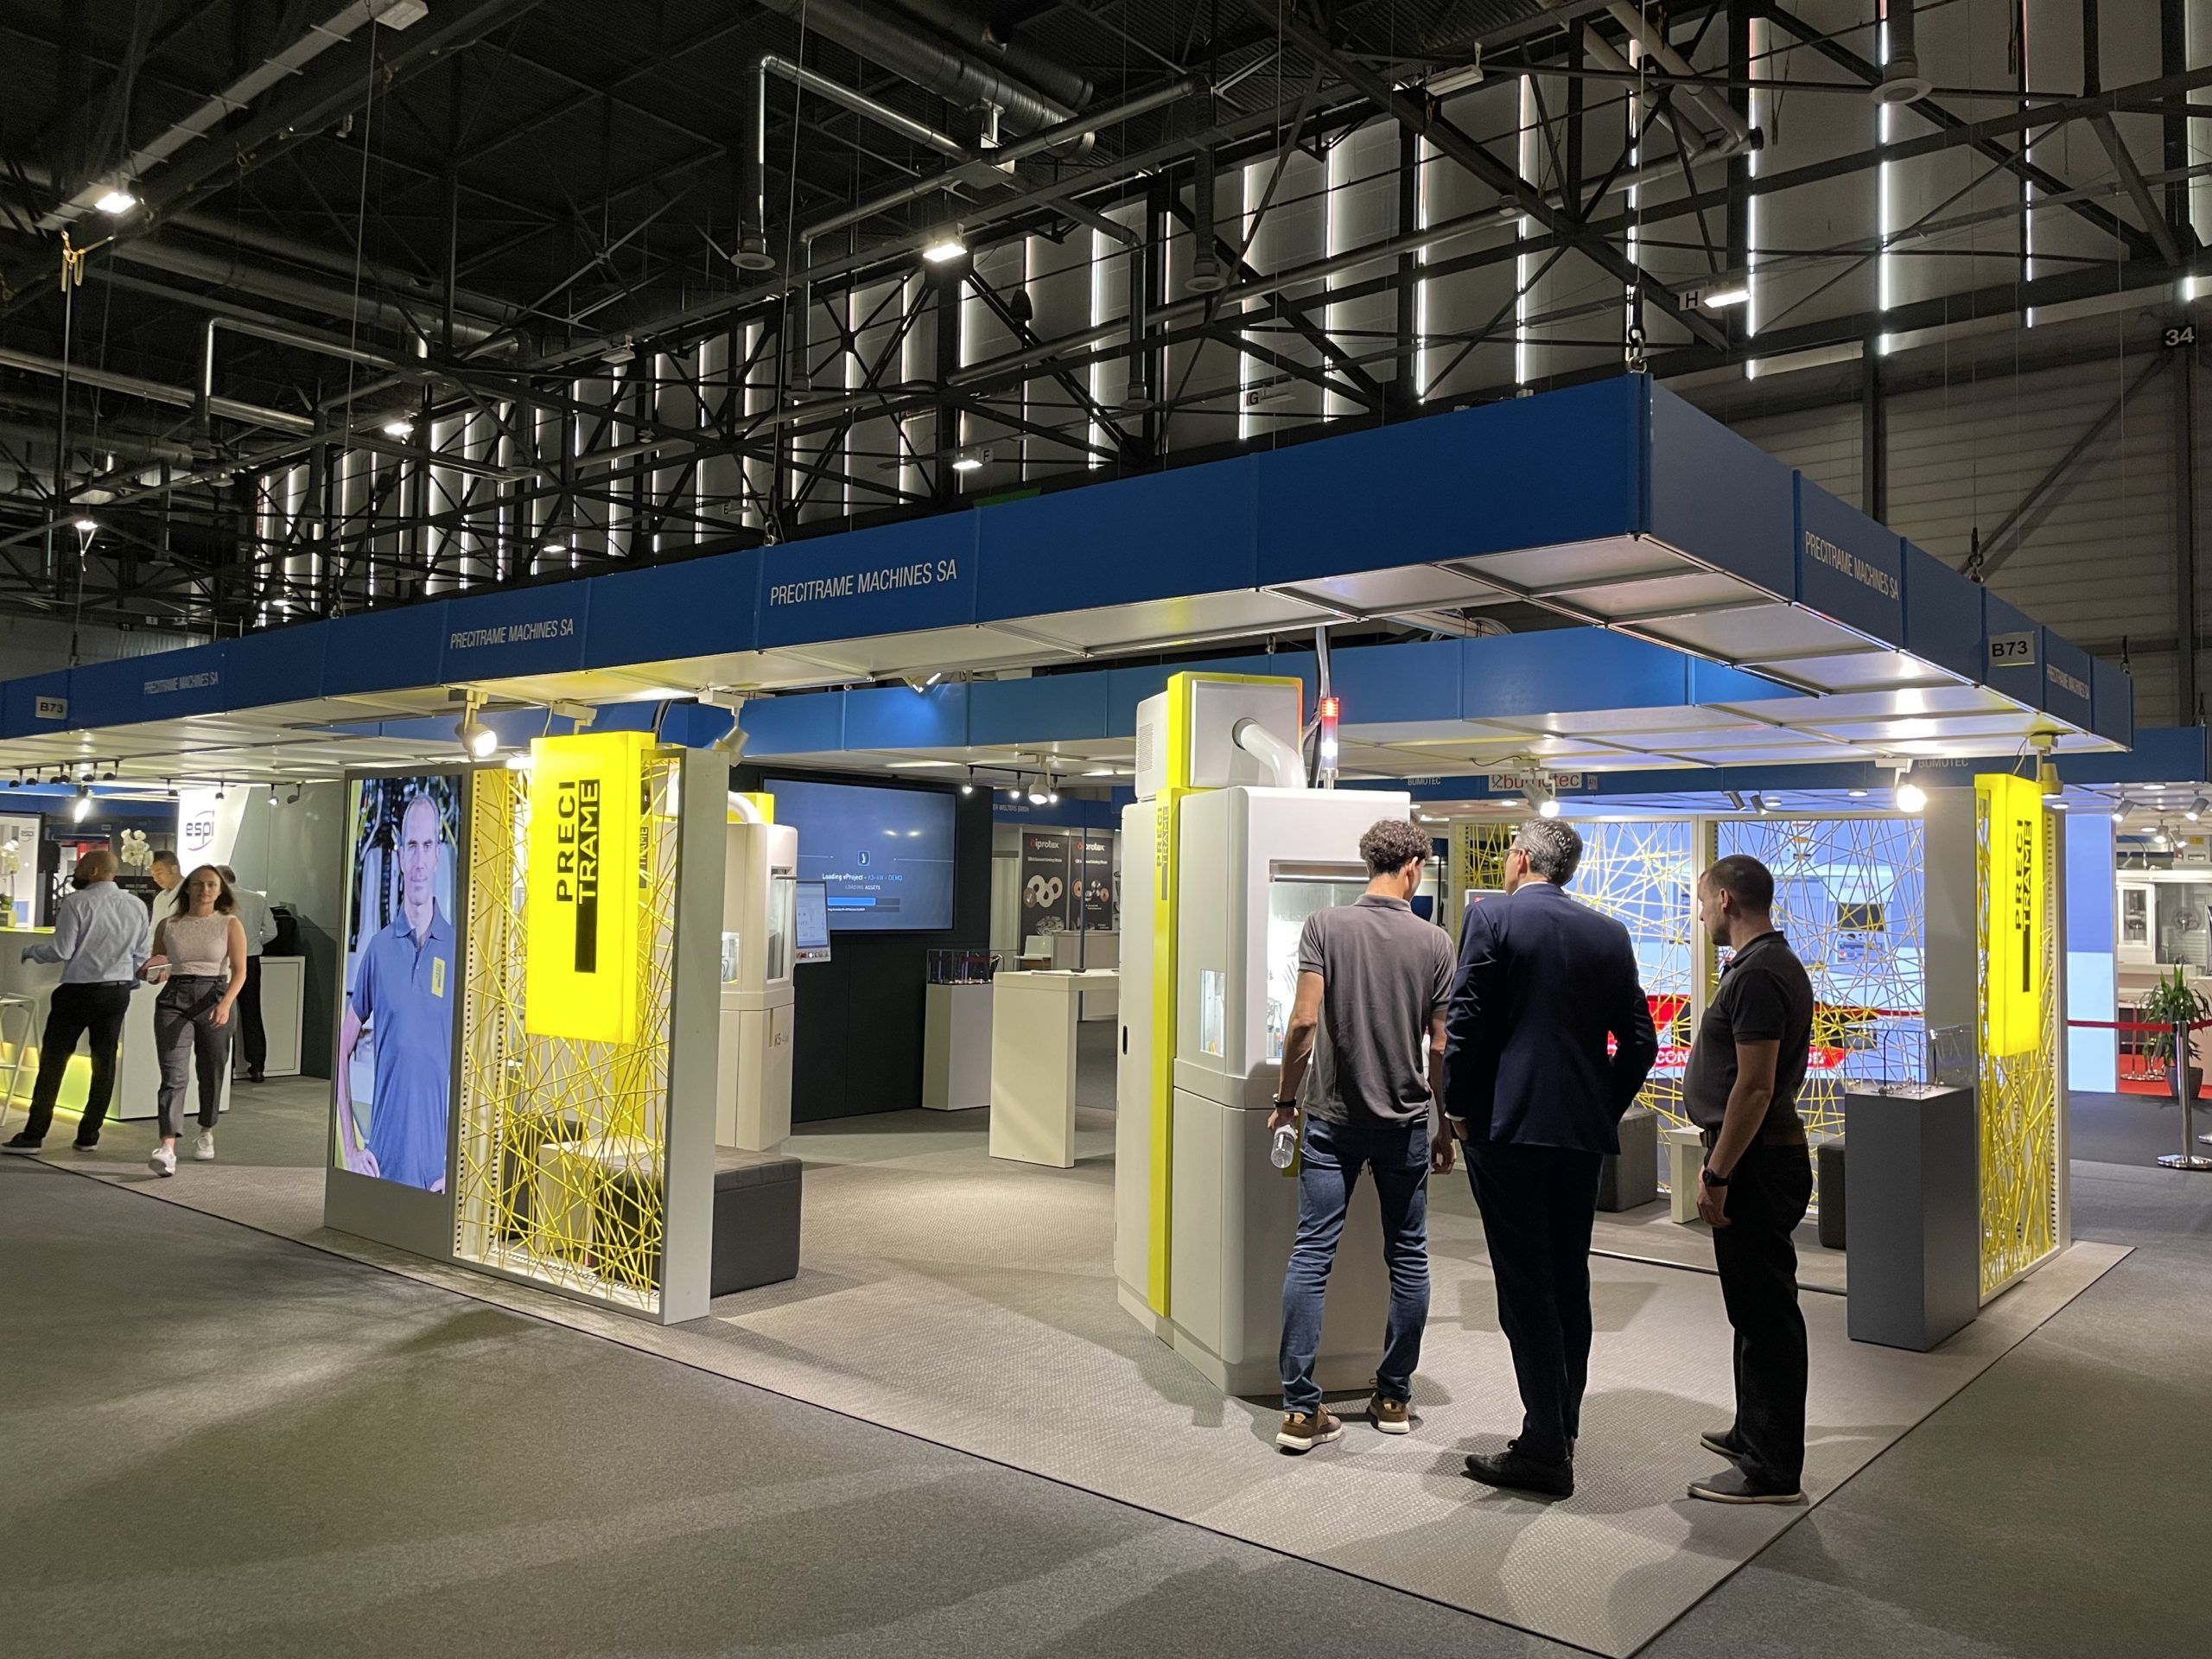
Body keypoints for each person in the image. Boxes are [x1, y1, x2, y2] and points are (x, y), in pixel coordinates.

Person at [1443, 818, 1657, 1497]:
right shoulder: (1610, 933)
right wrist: (1600, 1104)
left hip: (1505, 1130)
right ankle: (1561, 1427)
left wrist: (1456, 1106)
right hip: (1578, 1135)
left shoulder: (1492, 919)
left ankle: (1543, 1450)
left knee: (1524, 1287)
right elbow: (1641, 1042)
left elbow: (1466, 1022)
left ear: (1519, 859)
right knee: (1569, 1280)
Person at [1269, 817, 1457, 1452]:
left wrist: (1286, 1102)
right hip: (1404, 1123)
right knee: (1409, 1256)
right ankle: (1394, 1396)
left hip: (1330, 1120)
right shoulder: (1435, 942)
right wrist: (1445, 1122)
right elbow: (1440, 1045)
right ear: (1413, 868)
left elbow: (1303, 1023)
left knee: (1311, 1254)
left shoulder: (1324, 926)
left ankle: (1300, 1410)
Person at [1685, 854, 1816, 1504]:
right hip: (1756, 1158)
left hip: (1756, 1163)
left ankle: (1772, 1469)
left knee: (1766, 1315)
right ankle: (1752, 1431)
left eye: (1702, 901)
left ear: (1727, 900)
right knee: (1752, 1306)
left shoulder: (1761, 973)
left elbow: (1756, 1087)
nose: (1700, 915)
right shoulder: (1765, 964)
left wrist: (1718, 1171)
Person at [336, 790, 454, 1192]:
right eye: (411, 846)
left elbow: (480, 1069)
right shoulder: (379, 949)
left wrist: (461, 1165)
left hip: (438, 1170)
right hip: (383, 1162)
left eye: (427, 846)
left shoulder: (460, 951)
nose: (419, 861)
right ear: (401, 856)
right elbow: (341, 1048)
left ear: (437, 855)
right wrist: (350, 1147)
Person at [2, 850, 148, 1153]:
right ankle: (89, 1134)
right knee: (104, 1062)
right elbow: (141, 954)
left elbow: (62, 950)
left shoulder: (76, 903)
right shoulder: (136, 905)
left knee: (54, 1061)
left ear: (93, 870)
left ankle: (34, 1134)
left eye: (80, 866)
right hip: (117, 992)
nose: (76, 871)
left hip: (78, 992)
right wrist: (128, 980)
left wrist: (31, 951)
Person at [144, 865, 247, 1175]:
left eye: (212, 885)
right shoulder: (168, 925)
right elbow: (160, 966)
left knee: (211, 1068)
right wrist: (152, 972)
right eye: (199, 884)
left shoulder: (229, 923)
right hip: (174, 997)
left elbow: (240, 971)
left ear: (220, 890)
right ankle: (167, 1146)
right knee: (173, 1074)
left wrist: (226, 1003)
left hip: (214, 994)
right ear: (188, 888)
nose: (205, 890)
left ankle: (206, 1129)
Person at [217, 865, 279, 1081]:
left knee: (225, 1012)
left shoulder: (219, 900)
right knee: (252, 1012)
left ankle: (228, 1068)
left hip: (224, 961)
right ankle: (258, 1066)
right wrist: (254, 944)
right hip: (251, 960)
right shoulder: (257, 899)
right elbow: (272, 931)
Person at [147, 849, 183, 930]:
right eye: (153, 875)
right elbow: (153, 928)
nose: (156, 879)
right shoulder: (160, 897)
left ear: (174, 869)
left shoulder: (192, 894)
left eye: (159, 873)